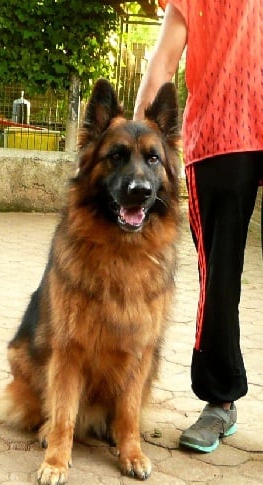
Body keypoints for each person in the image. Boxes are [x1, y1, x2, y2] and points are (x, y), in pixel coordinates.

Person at [134, 1, 263, 452]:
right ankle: (219, 400)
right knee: (220, 278)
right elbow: (163, 62)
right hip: (221, 134)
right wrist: (137, 150)